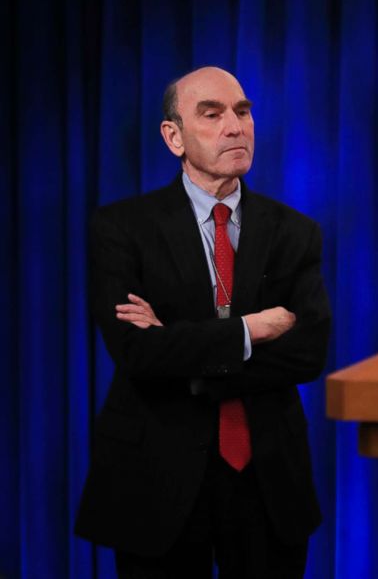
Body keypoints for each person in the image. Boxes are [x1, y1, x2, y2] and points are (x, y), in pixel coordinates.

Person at [75, 66, 331, 578]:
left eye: (243, 112)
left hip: (266, 480)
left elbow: (308, 351)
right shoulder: (122, 229)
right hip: (157, 476)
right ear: (174, 136)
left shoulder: (295, 233)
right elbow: (137, 353)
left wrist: (184, 352)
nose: (235, 127)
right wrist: (249, 331)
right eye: (211, 115)